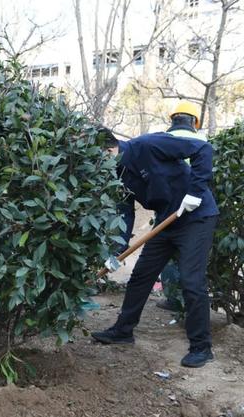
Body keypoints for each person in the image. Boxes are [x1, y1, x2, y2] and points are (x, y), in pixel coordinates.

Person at [92, 128, 219, 368]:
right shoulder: (117, 171)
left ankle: (202, 347)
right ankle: (123, 331)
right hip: (166, 220)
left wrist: (195, 192)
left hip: (196, 216)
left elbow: (203, 148)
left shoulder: (149, 144)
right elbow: (125, 212)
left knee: (191, 281)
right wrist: (117, 252)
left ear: (109, 150)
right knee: (141, 275)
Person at [156, 101, 207, 312]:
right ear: (194, 121)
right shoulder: (203, 140)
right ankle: (189, 304)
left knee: (167, 255)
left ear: (173, 119)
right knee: (192, 260)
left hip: (168, 205)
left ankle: (173, 300)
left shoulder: (163, 139)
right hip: (197, 208)